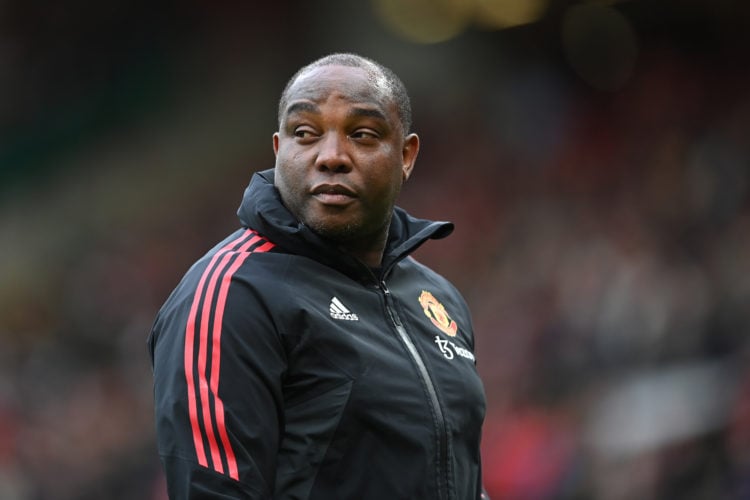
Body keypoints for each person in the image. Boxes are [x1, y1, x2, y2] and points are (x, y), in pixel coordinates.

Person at [148, 52, 488, 499]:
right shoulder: (231, 293)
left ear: (406, 155)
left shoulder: (437, 297)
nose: (331, 157)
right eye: (305, 134)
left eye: (362, 134)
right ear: (278, 149)